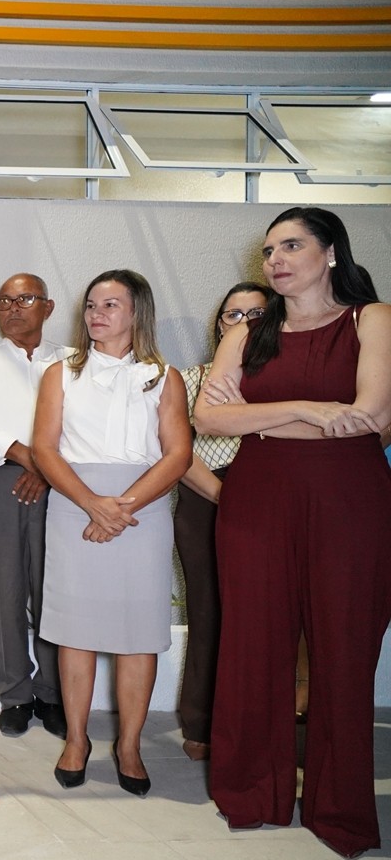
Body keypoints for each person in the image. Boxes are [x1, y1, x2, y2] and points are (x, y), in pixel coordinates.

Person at [196, 207, 391, 859]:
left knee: (344, 651)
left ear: (331, 252)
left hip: (349, 501)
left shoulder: (373, 320)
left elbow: (370, 415)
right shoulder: (248, 331)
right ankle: (252, 793)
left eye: (291, 246)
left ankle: (339, 812)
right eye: (269, 250)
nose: (275, 260)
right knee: (251, 647)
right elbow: (209, 418)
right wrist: (308, 408)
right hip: (257, 499)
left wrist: (256, 415)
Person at [31, 269, 190, 797]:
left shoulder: (163, 377)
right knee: (75, 631)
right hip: (75, 505)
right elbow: (45, 449)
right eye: (92, 305)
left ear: (137, 312)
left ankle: (129, 746)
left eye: (111, 304)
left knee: (137, 634)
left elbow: (178, 455)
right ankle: (76, 741)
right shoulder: (60, 374)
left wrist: (121, 508)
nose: (96, 314)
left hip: (141, 511)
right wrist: (92, 504)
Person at [0, 272, 69, 739]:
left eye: (24, 299)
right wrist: (27, 456)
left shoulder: (72, 361)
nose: (12, 308)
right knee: (4, 592)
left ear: (48, 307)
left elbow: (82, 420)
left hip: (60, 483)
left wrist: (46, 467)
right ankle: (15, 696)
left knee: (53, 592)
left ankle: (53, 694)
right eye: (4, 301)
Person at [172, 282, 269, 762]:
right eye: (234, 314)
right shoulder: (191, 379)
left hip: (270, 500)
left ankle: (259, 724)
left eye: (256, 314)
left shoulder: (283, 381)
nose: (244, 323)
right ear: (219, 324)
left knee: (265, 617)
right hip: (204, 497)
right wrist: (222, 495)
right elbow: (177, 451)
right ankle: (201, 721)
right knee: (208, 610)